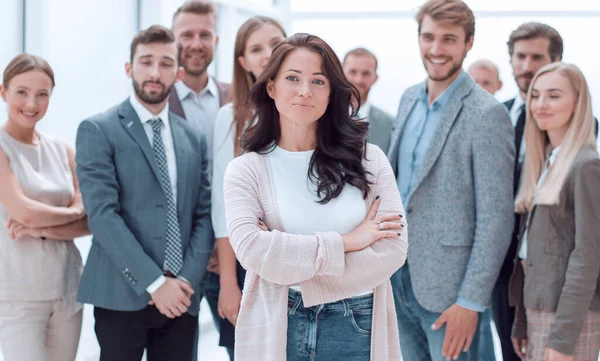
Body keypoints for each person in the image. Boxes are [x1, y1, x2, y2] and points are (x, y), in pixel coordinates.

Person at [223, 33, 408, 361]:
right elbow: (253, 251)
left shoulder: (369, 159)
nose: (305, 91)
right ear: (271, 87)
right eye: (292, 78)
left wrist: (293, 264)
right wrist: (350, 241)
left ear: (331, 91)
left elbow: (391, 250)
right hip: (280, 321)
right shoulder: (245, 170)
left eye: (318, 81)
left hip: (358, 323)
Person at [75, 25, 213, 361]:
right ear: (129, 67)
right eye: (146, 61)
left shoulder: (193, 137)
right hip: (120, 293)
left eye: (166, 63)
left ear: (178, 73)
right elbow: (103, 216)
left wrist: (183, 282)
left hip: (182, 296)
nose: (155, 72)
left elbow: (204, 214)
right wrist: (155, 283)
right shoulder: (98, 129)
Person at [387, 1, 515, 360]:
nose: (436, 49)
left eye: (449, 39)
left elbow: (496, 218)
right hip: (398, 279)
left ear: (468, 42)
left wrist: (471, 301)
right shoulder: (408, 98)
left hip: (452, 293)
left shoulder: (487, 114)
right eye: (428, 37)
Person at [0, 53, 89, 361]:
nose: (31, 104)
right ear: (3, 92)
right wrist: (73, 213)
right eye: (21, 92)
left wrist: (43, 228)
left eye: (42, 94)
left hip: (67, 292)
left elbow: (89, 219)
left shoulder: (62, 149)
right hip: (15, 298)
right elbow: (22, 211)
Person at [509, 62, 600, 361]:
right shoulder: (547, 162)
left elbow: (587, 258)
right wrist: (521, 321)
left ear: (577, 103)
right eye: (535, 96)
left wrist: (562, 340)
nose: (540, 104)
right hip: (538, 310)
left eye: (554, 95)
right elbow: (532, 255)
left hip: (569, 318)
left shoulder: (586, 165)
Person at [210, 15, 286, 359]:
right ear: (243, 62)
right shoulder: (232, 117)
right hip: (248, 260)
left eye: (275, 43)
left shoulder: (311, 108)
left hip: (298, 254)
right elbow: (222, 207)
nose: (267, 54)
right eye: (256, 48)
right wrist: (229, 282)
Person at [494, 22, 564, 361]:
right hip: (500, 265)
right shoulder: (498, 115)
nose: (526, 66)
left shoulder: (578, 126)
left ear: (556, 60)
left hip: (548, 266)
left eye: (536, 57)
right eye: (519, 57)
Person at [169, 3, 231, 356]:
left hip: (232, 258)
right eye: (186, 35)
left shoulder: (237, 98)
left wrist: (224, 248)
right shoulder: (155, 102)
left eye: (204, 35)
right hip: (177, 263)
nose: (195, 43)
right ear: (172, 40)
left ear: (216, 40)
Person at [342, 47, 394, 153]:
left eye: (366, 73)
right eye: (353, 72)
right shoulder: (324, 116)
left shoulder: (391, 124)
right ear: (341, 74)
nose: (358, 80)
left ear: (375, 78)